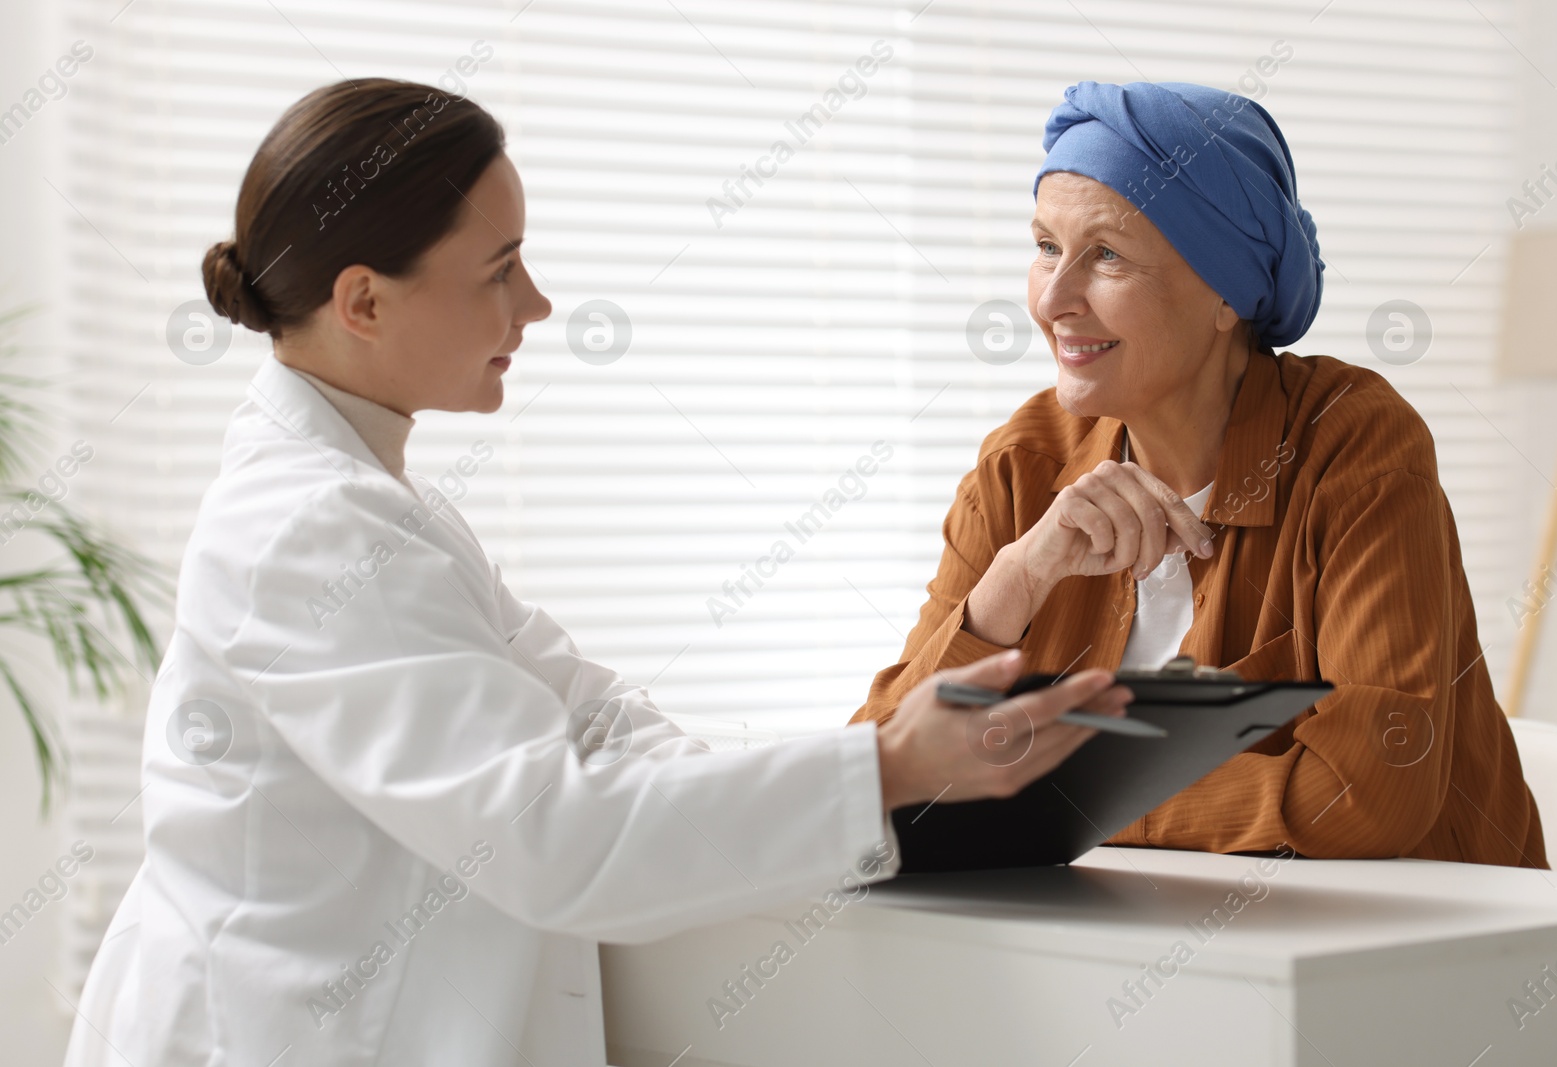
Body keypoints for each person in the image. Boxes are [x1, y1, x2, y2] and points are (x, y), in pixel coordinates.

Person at [63, 79, 1133, 1067]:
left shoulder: (381, 509)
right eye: (498, 270)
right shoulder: (311, 527)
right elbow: (547, 834)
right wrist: (885, 771)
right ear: (364, 302)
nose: (534, 304)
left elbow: (595, 717)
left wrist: (874, 773)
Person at [850, 81, 1546, 869]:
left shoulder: (1353, 445)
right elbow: (866, 788)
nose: (1053, 300)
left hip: (1421, 963)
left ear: (1227, 295)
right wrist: (1014, 582)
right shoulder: (1024, 465)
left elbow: (1368, 795)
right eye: (1046, 246)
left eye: (1106, 255)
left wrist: (1056, 799)